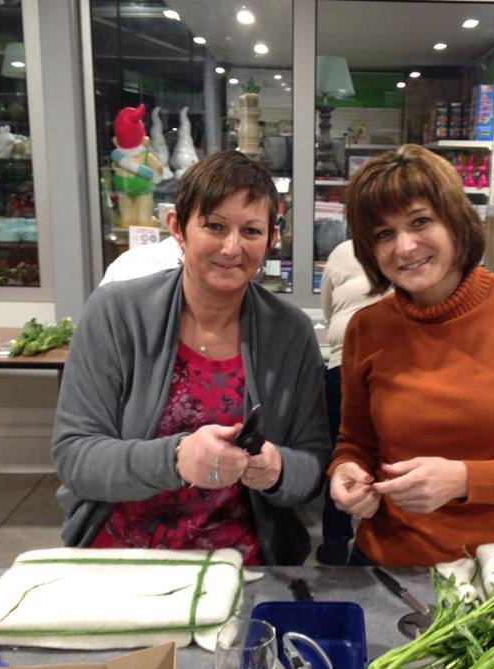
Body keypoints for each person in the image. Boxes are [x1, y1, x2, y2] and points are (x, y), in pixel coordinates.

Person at [53, 150, 330, 565]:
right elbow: (76, 458)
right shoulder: (116, 313)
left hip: (242, 561)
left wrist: (278, 470)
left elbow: (313, 461)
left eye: (251, 231)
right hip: (122, 557)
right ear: (178, 229)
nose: (232, 247)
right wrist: (177, 458)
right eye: (215, 226)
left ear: (272, 238)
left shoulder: (290, 332)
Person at [328, 144, 494, 567]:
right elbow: (356, 442)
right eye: (383, 234)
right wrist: (346, 472)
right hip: (391, 562)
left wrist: (464, 480)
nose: (405, 247)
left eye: (420, 222)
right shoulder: (368, 327)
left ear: (455, 220)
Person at [316, 239, 389, 565]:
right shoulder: (410, 253)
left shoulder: (341, 250)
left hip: (343, 365)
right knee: (393, 456)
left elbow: (329, 310)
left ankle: (334, 544)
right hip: (395, 368)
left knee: (343, 457)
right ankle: (384, 540)